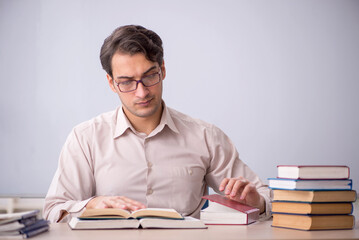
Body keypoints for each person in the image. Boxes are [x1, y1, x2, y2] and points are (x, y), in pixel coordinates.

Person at [43, 25, 272, 223]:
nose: (141, 92)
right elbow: (54, 211)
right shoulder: (85, 138)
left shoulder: (205, 136)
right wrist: (92, 205)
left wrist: (256, 203)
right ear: (111, 83)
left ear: (162, 70)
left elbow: (266, 197)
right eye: (126, 82)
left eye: (150, 76)